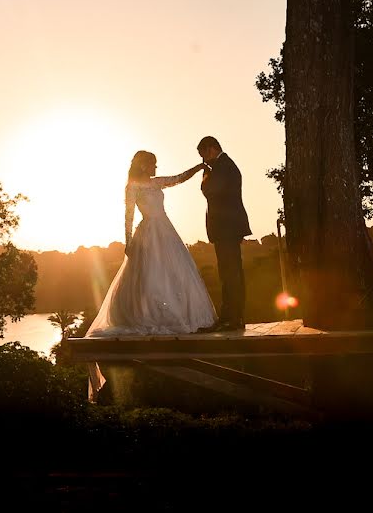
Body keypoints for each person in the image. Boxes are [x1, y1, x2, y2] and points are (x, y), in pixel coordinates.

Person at [84, 150, 217, 399]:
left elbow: (178, 178)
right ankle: (148, 314)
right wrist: (128, 241)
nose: (156, 167)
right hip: (147, 233)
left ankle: (177, 312)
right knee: (148, 277)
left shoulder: (156, 182)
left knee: (175, 273)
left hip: (166, 231)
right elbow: (128, 215)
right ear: (144, 165)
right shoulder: (132, 186)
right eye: (153, 163)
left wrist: (199, 168)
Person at [197, 136, 251, 332]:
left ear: (211, 149)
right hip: (228, 228)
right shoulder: (224, 165)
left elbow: (210, 190)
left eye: (203, 154)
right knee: (230, 273)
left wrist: (204, 177)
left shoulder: (223, 166)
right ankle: (232, 316)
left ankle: (232, 318)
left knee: (230, 274)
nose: (203, 160)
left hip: (226, 228)